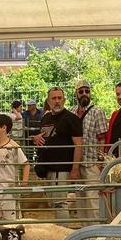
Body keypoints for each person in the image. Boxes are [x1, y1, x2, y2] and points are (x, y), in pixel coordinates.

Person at [32, 87, 82, 224]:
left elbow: (78, 144)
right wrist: (35, 138)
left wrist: (75, 168)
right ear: (48, 101)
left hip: (61, 166)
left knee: (60, 202)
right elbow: (39, 136)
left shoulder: (71, 118)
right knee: (53, 201)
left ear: (64, 100)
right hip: (47, 165)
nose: (57, 101)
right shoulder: (46, 117)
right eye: (54, 98)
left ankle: (63, 234)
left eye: (60, 98)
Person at [71, 80, 108, 224]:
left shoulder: (97, 111)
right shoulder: (71, 111)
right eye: (81, 91)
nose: (84, 94)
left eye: (87, 91)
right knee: (80, 198)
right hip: (77, 163)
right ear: (76, 94)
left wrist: (100, 160)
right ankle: (84, 232)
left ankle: (96, 232)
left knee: (93, 199)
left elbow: (102, 138)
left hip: (92, 162)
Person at [0, 114, 29, 220]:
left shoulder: (14, 146)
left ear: (4, 128)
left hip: (9, 190)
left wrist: (24, 181)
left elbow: (26, 164)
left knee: (11, 221)